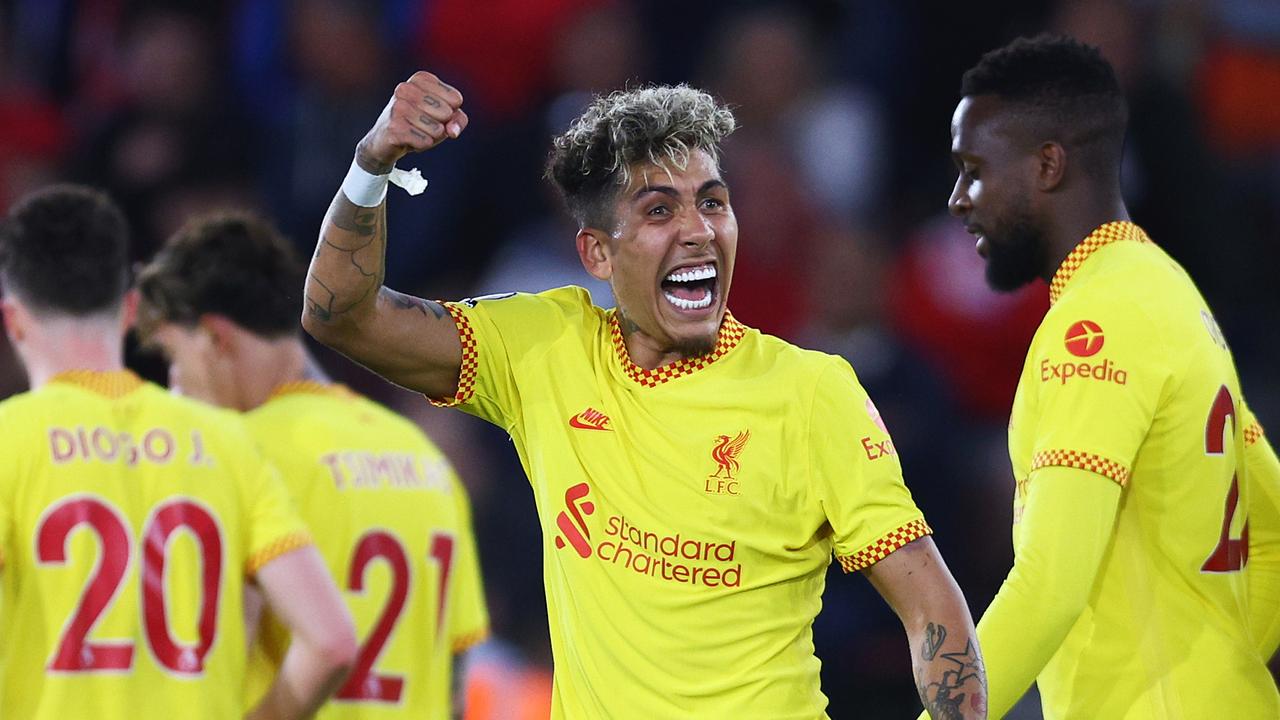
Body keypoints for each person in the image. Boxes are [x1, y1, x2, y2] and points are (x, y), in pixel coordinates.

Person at [301, 72, 988, 718]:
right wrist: (373, 165)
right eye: (660, 209)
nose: (699, 229)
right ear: (598, 254)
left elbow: (932, 609)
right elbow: (340, 315)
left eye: (713, 202)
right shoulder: (545, 348)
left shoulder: (810, 391)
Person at [941, 34, 1280, 718]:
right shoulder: (1170, 294)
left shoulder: (1093, 327)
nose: (958, 198)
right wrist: (1222, 669)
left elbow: (1049, 585)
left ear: (1048, 165)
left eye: (974, 169)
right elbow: (1271, 531)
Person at [0, 184, 357, 719]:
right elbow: (332, 642)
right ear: (128, 309)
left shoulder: (10, 440)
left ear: (13, 320)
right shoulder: (225, 441)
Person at [135, 211, 490, 719]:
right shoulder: (421, 456)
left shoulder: (233, 454)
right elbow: (454, 679)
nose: (174, 386)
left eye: (173, 356)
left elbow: (211, 655)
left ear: (216, 338)